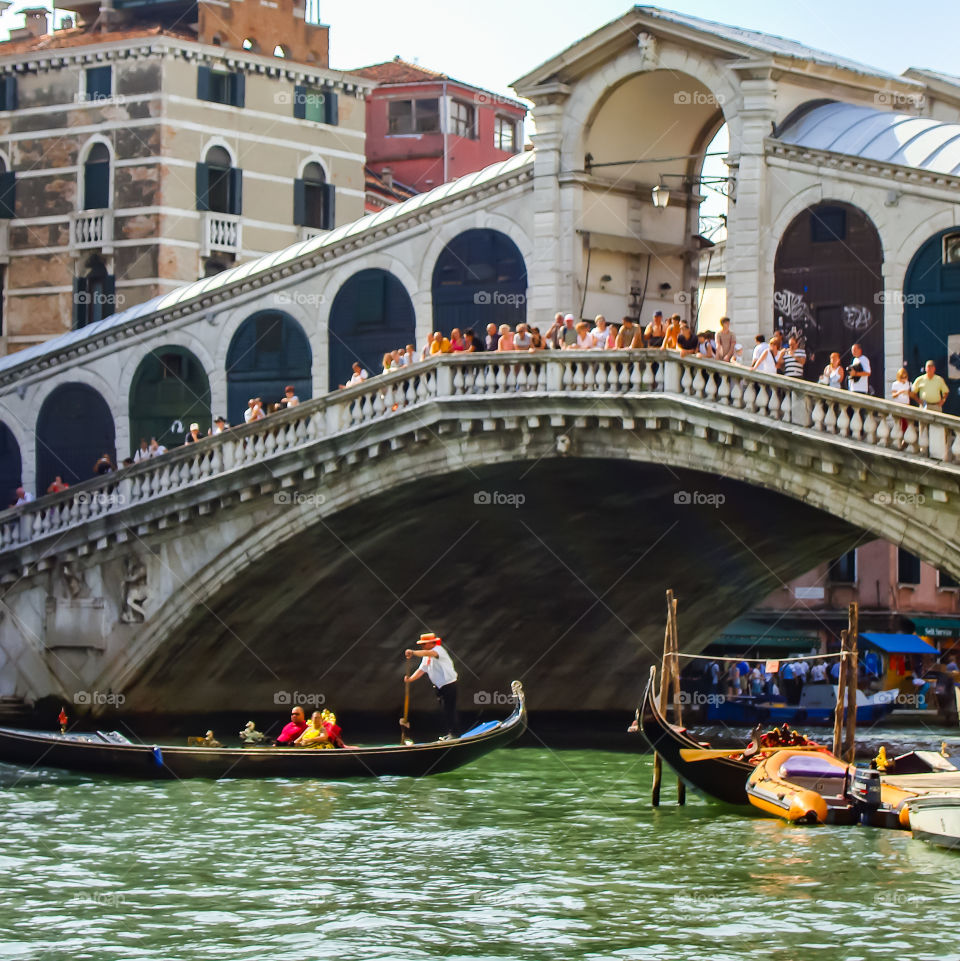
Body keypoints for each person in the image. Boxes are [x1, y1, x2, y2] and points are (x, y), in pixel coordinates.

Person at [404, 631, 458, 739]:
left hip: (449, 685)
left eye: (424, 644)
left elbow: (430, 654)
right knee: (444, 711)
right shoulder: (426, 655)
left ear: (431, 643)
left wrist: (413, 652)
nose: (422, 646)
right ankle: (450, 733)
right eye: (421, 645)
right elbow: (422, 670)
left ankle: (455, 734)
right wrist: (410, 679)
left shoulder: (438, 650)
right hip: (439, 687)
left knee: (449, 710)